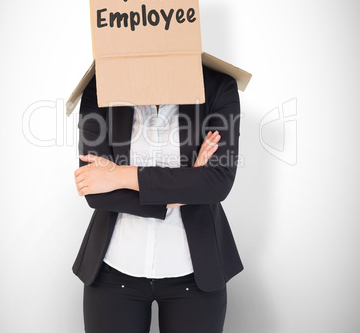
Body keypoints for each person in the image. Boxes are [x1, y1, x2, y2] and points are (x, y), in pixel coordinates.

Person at [73, 65, 244, 333]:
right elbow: (94, 186)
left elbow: (218, 182)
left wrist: (118, 175)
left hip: (194, 272)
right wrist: (188, 184)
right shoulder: (102, 84)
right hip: (113, 268)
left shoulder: (218, 86)